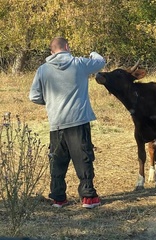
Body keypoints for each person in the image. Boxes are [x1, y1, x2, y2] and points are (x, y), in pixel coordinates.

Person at [29, 37, 105, 208]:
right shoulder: (79, 63)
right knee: (83, 157)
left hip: (56, 122)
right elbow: (100, 61)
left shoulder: (42, 70)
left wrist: (50, 101)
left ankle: (58, 198)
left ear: (51, 52)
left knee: (57, 160)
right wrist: (92, 52)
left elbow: (33, 96)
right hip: (78, 121)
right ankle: (88, 197)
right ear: (67, 47)